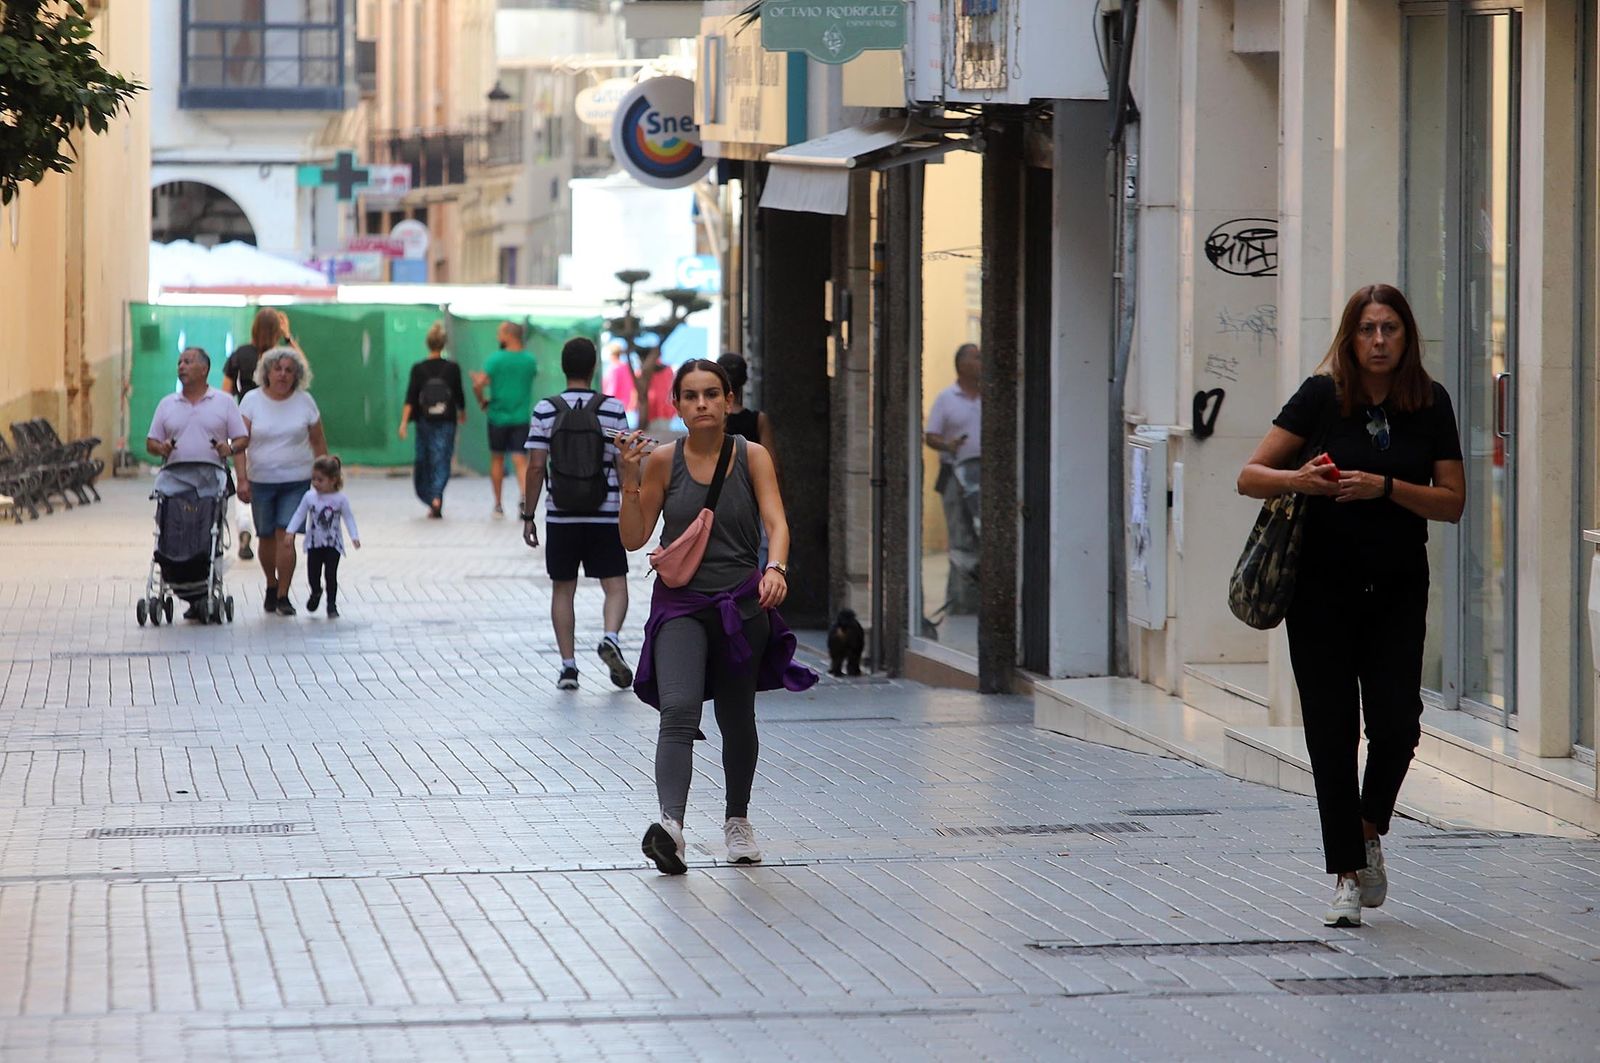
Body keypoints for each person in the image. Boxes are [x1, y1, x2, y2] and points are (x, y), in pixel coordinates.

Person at [1237, 284, 1464, 929]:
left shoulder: (1430, 402)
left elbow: (1452, 502)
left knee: (1397, 723)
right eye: (1367, 329)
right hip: (1320, 593)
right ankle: (1344, 874)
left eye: (1390, 328)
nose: (1379, 341)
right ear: (1349, 335)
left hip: (1396, 589)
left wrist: (1387, 487)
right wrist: (1300, 479)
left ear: (1407, 336)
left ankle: (1367, 831)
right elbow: (1249, 474)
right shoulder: (1321, 396)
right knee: (1331, 733)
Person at [617, 359, 817, 876]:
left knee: (735, 717)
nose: (702, 403)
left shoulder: (752, 456)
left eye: (712, 394)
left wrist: (775, 567)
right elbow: (634, 538)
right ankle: (672, 830)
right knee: (679, 709)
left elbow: (776, 519)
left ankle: (737, 821)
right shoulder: (663, 461)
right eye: (691, 396)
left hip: (742, 605)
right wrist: (629, 480)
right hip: (681, 606)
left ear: (730, 401)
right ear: (677, 406)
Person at [522, 338, 633, 691]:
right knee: (614, 585)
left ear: (563, 366)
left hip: (561, 514)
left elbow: (537, 467)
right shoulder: (612, 408)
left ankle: (568, 668)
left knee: (563, 590)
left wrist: (529, 515)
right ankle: (611, 637)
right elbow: (625, 461)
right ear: (594, 366)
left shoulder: (545, 409)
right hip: (605, 514)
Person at [145, 346, 250, 620]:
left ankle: (203, 592)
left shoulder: (224, 402)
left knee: (207, 533)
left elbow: (242, 438)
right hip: (175, 482)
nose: (181, 366)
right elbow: (151, 442)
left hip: (209, 483)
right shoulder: (167, 404)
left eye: (188, 362)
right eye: (179, 361)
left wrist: (228, 449)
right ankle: (172, 581)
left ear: (204, 369)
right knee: (175, 533)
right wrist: (162, 447)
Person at [237, 345, 327, 616]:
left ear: (297, 375)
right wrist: (241, 478)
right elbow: (240, 444)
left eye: (289, 370)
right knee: (266, 537)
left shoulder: (305, 402)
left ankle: (284, 594)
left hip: (296, 480)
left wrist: (326, 478)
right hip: (261, 479)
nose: (283, 375)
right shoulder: (251, 401)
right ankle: (271, 584)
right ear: (267, 372)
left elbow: (318, 440)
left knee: (286, 536)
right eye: (278, 369)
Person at [222, 308, 289, 561]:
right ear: (277, 331)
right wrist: (289, 338)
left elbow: (226, 392)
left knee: (244, 477)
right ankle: (271, 527)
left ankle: (245, 528)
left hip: (246, 421)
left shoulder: (240, 354)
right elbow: (305, 372)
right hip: (277, 424)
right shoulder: (281, 358)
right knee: (271, 477)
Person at [924, 343, 982, 615]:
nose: (982, 362)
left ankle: (979, 598)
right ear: (960, 365)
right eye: (976, 358)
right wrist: (948, 445)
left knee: (982, 538)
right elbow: (930, 435)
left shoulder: (988, 396)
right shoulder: (947, 398)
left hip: (983, 478)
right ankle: (960, 601)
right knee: (960, 538)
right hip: (955, 477)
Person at [397, 320, 466, 518]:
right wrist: (462, 412)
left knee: (424, 460)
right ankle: (437, 497)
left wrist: (403, 423)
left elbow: (411, 397)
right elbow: (459, 395)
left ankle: (431, 498)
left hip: (424, 421)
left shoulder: (418, 369)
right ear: (443, 344)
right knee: (442, 459)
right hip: (447, 420)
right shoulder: (452, 368)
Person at [470, 320, 538, 517]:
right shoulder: (529, 360)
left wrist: (482, 400)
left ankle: (498, 505)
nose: (497, 336)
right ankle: (524, 498)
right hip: (520, 417)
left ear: (509, 335)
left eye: (500, 332)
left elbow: (478, 384)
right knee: (520, 459)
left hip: (497, 416)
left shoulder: (495, 360)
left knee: (497, 458)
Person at [718, 351, 778, 568]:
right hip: (752, 499)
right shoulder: (758, 420)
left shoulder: (712, 422)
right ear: (745, 381)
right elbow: (773, 466)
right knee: (757, 557)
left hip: (717, 500)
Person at [286, 455, 361, 619]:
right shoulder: (309, 497)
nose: (315, 483)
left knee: (330, 575)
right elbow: (300, 514)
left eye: (320, 480)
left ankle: (331, 605)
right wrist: (290, 531)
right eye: (313, 479)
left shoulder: (340, 499)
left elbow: (348, 517)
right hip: (314, 543)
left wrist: (354, 536)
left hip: (333, 544)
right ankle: (315, 591)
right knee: (313, 573)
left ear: (333, 480)